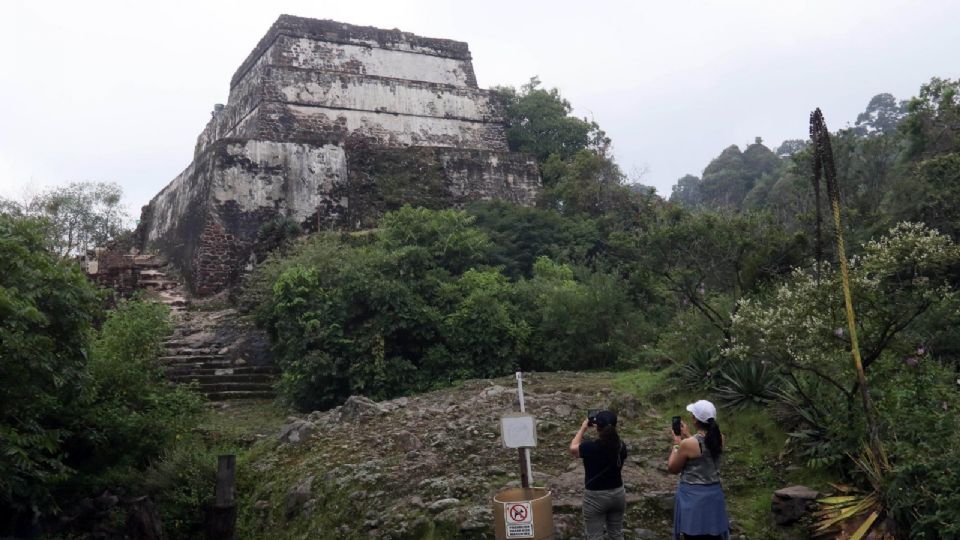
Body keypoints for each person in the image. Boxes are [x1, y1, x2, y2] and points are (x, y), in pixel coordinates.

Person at [667, 399, 730, 540]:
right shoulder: (720, 438)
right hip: (714, 496)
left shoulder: (688, 444)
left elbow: (673, 468)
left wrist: (677, 443)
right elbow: (704, 451)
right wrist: (689, 436)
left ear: (694, 419)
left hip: (693, 499)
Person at [569, 410, 628, 540]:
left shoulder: (590, 447)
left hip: (595, 497)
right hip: (618, 494)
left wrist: (583, 428)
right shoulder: (622, 446)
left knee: (594, 536)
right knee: (617, 534)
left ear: (596, 426)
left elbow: (573, 448)